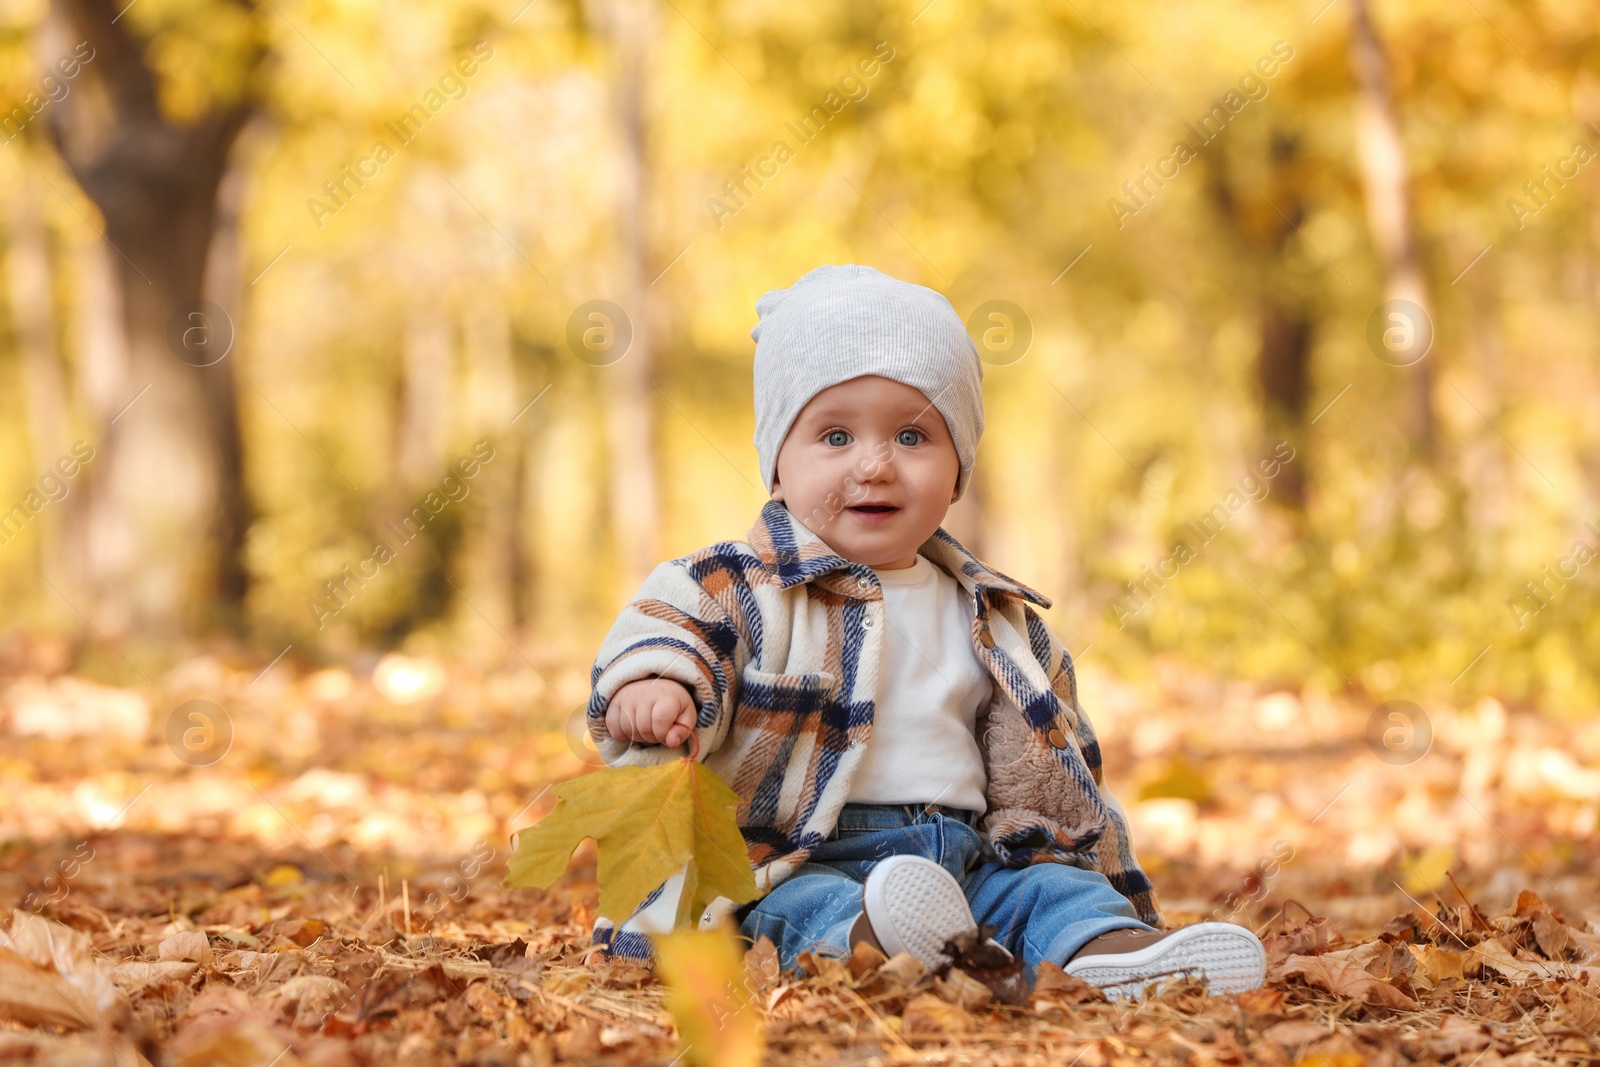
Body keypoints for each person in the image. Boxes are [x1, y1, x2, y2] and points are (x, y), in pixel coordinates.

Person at [583, 264, 1266, 999]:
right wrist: (656, 682)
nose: (875, 465)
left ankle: (1112, 950)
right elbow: (673, 626)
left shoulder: (998, 617)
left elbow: (1059, 770)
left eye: (912, 435)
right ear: (778, 463)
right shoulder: (742, 583)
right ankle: (870, 945)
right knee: (793, 908)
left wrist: (1086, 868)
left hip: (969, 855)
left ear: (958, 468)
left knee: (1045, 893)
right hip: (800, 853)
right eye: (836, 435)